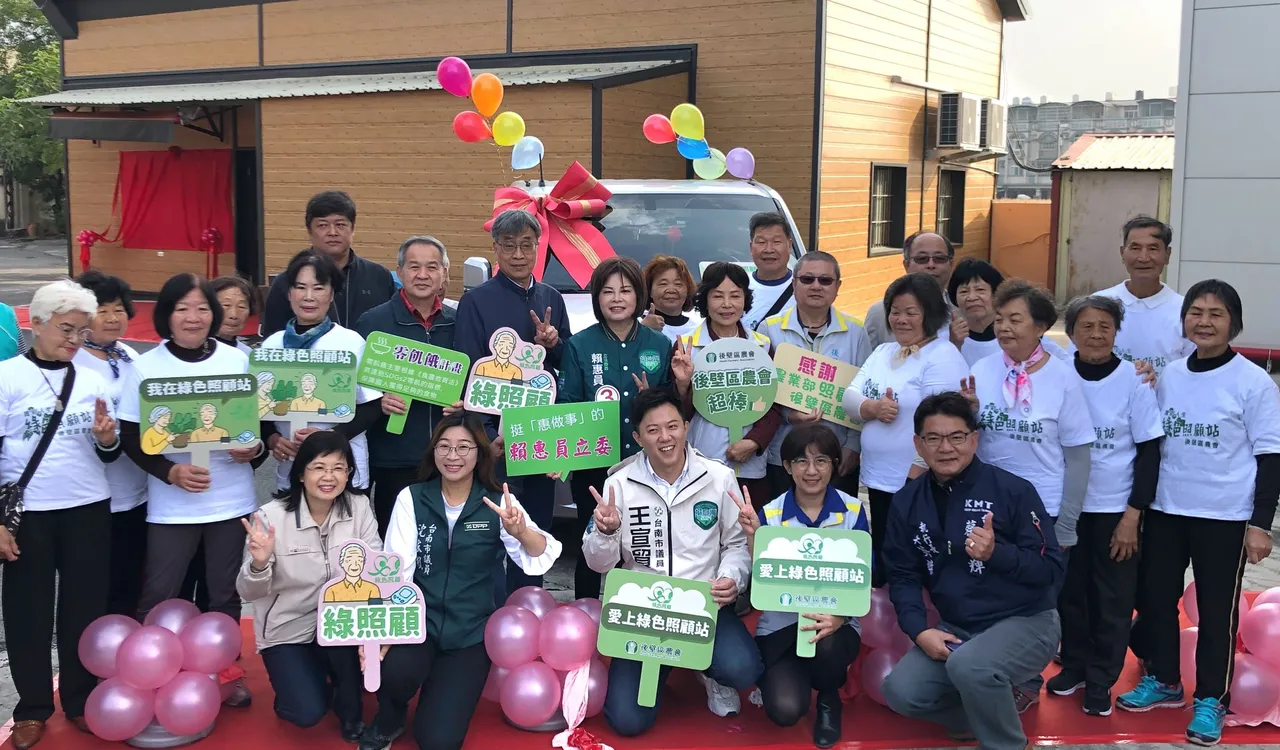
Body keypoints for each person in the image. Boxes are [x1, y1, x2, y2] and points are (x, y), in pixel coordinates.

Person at [1116, 280, 1280, 746]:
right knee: (1155, 600)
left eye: (1216, 313)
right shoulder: (1170, 376)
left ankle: (1211, 698)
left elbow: (1271, 456)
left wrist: (1259, 524)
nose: (1204, 322)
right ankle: (1165, 679)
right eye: (1196, 312)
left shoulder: (1253, 382)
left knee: (1216, 612)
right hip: (1166, 509)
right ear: (1184, 319)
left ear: (1234, 323)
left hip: (1223, 515)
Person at [359, 413, 561, 750]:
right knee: (393, 670)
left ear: (480, 453)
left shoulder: (498, 502)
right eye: (445, 446)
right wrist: (385, 631)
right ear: (433, 451)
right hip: (418, 624)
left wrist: (520, 531)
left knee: (439, 741)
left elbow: (542, 553)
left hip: (470, 632)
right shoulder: (413, 498)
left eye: (464, 447)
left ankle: (438, 695)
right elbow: (397, 571)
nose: (453, 456)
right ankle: (390, 717)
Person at [881, 393, 1065, 750]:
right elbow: (902, 575)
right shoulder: (907, 501)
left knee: (970, 666)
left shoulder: (1013, 491)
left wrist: (997, 553)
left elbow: (1051, 570)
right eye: (933, 438)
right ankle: (980, 714)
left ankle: (1008, 744)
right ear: (918, 444)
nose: (945, 448)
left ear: (975, 439)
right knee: (900, 692)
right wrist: (919, 631)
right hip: (958, 628)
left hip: (1027, 620)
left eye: (957, 437)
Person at [117, 273, 264, 708]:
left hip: (230, 501)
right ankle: (147, 677)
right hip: (172, 507)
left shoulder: (238, 361)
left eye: (202, 308)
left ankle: (224, 673)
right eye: (182, 308)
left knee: (224, 594)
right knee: (160, 593)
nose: (193, 317)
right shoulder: (146, 367)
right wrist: (170, 472)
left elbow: (258, 427)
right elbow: (130, 436)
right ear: (166, 314)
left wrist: (253, 449)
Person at [584, 388, 762, 736]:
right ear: (638, 437)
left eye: (672, 426)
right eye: (653, 430)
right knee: (627, 721)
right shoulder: (618, 484)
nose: (665, 437)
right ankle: (662, 666)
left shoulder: (718, 477)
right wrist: (606, 532)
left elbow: (736, 545)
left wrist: (731, 578)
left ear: (686, 427)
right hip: (643, 616)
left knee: (743, 669)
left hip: (702, 607)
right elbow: (597, 564)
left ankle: (708, 671)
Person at [0, 280, 121, 750]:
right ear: (37, 323)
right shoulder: (8, 377)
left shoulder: (92, 380)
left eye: (82, 332)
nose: (74, 340)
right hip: (29, 513)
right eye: (66, 329)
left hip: (87, 507)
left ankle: (80, 699)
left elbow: (108, 454)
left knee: (83, 610)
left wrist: (107, 439)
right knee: (27, 612)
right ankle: (32, 708)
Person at [962, 280, 1092, 710]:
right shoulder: (983, 370)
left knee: (1034, 600)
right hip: (988, 506)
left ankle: (1027, 680)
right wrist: (969, 411)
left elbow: (1078, 457)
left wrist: (1067, 523)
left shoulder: (1064, 378)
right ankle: (986, 672)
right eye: (999, 319)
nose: (1003, 328)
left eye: (1015, 319)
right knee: (988, 591)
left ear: (1040, 326)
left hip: (1043, 511)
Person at [1045, 296, 1162, 716]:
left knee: (1112, 598)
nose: (1096, 335)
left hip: (1114, 508)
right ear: (1071, 332)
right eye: (1087, 326)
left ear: (1116, 332)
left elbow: (1149, 452)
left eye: (1105, 327)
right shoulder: (1056, 373)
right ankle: (1074, 664)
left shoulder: (1134, 380)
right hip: (1066, 506)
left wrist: (1133, 514)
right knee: (1070, 592)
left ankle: (1101, 679)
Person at [454, 209, 570, 597]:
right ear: (495, 249)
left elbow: (567, 366)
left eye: (526, 245)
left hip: (538, 436)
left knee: (535, 531)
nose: (518, 254)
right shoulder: (476, 302)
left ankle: (528, 607)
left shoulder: (552, 297)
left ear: (539, 247)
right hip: (495, 441)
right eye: (509, 246)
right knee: (490, 534)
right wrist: (485, 437)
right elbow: (469, 374)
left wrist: (554, 343)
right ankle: (488, 615)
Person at [237, 431, 378, 742]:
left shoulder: (359, 507)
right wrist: (259, 564)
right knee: (306, 711)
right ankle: (308, 684)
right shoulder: (270, 518)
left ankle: (350, 710)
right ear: (301, 473)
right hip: (288, 628)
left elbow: (376, 569)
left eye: (339, 468)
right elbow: (248, 592)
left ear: (349, 474)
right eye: (319, 467)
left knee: (353, 664)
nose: (329, 477)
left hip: (343, 624)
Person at [736, 424, 867, 748]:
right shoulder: (771, 514)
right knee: (785, 710)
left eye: (821, 461)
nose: (811, 471)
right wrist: (753, 538)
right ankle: (795, 676)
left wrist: (840, 617)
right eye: (801, 461)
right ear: (787, 466)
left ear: (834, 465)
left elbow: (863, 574)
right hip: (781, 628)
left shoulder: (852, 511)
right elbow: (760, 577)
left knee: (827, 646)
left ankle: (828, 695)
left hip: (834, 625)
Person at [842, 273, 969, 586]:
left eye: (911, 312)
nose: (901, 319)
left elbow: (942, 425)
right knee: (886, 558)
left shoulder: (942, 355)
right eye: (895, 311)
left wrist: (917, 477)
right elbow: (849, 398)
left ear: (931, 314)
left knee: (916, 565)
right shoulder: (883, 352)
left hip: (918, 483)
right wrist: (872, 408)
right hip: (878, 479)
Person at [558, 256, 673, 599]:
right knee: (591, 546)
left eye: (625, 290)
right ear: (597, 298)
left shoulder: (659, 344)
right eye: (607, 291)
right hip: (593, 465)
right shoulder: (579, 345)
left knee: (641, 546)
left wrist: (651, 398)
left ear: (639, 295)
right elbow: (567, 404)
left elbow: (671, 406)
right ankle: (585, 614)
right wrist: (559, 455)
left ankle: (634, 611)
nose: (617, 298)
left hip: (645, 463)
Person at [356, 235, 462, 538]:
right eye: (414, 267)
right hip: (393, 458)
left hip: (449, 457)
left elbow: (474, 379)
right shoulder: (373, 323)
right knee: (396, 540)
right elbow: (352, 390)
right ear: (400, 272)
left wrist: (465, 404)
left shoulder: (458, 322)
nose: (423, 275)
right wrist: (378, 401)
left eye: (432, 267)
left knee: (443, 541)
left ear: (444, 273)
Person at [261, 250, 384, 495]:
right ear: (289, 293)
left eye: (318, 288)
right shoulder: (271, 346)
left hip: (342, 470)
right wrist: (272, 438)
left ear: (331, 294)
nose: (309, 297)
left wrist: (329, 437)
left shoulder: (351, 343)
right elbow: (257, 408)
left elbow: (372, 405)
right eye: (300, 287)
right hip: (292, 469)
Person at [758, 251, 872, 501]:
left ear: (837, 287)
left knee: (837, 523)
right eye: (807, 279)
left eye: (825, 280)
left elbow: (866, 393)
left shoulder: (855, 332)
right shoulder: (769, 329)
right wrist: (789, 415)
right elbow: (760, 393)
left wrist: (853, 446)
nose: (816, 286)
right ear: (794, 284)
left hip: (837, 455)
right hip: (783, 455)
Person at [672, 262, 782, 505]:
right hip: (702, 462)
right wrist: (682, 386)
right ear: (704, 299)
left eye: (735, 295)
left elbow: (773, 404)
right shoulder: (686, 347)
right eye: (717, 296)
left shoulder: (762, 345)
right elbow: (675, 414)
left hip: (751, 467)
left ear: (745, 299)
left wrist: (754, 441)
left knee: (749, 523)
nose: (727, 304)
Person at [73, 271, 150, 617]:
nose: (112, 317)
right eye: (101, 310)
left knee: (132, 578)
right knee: (96, 584)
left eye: (118, 309)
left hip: (137, 489)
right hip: (95, 494)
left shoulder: (129, 355)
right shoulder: (74, 360)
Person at [261, 191, 397, 336]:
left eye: (340, 225)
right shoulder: (287, 280)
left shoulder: (379, 277)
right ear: (309, 231)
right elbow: (273, 336)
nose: (332, 232)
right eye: (323, 225)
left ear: (352, 229)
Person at [1088, 216, 1195, 374]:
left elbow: (1194, 373)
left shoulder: (1186, 311)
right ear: (1122, 253)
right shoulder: (1098, 304)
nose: (1143, 258)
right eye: (1135, 248)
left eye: (1153, 249)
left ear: (1167, 255)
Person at [947, 259, 1068, 367]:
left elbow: (1067, 366)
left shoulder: (1029, 338)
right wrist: (954, 345)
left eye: (980, 290)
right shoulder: (949, 338)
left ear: (996, 294)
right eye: (964, 292)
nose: (972, 297)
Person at [863, 232, 958, 348]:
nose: (931, 265)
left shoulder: (963, 312)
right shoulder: (879, 314)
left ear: (951, 264)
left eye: (939, 258)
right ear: (906, 265)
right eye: (922, 259)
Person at [742, 212, 797, 331]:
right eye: (761, 242)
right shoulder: (739, 287)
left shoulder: (804, 288)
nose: (768, 250)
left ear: (789, 245)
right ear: (751, 247)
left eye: (776, 242)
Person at [639, 254, 700, 341]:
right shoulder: (636, 324)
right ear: (649, 290)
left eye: (678, 284)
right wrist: (643, 330)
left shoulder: (698, 329)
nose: (671, 290)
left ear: (688, 290)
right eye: (663, 284)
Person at [212, 276, 257, 355]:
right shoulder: (195, 350)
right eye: (226, 305)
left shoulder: (247, 354)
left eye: (241, 307)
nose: (234, 315)